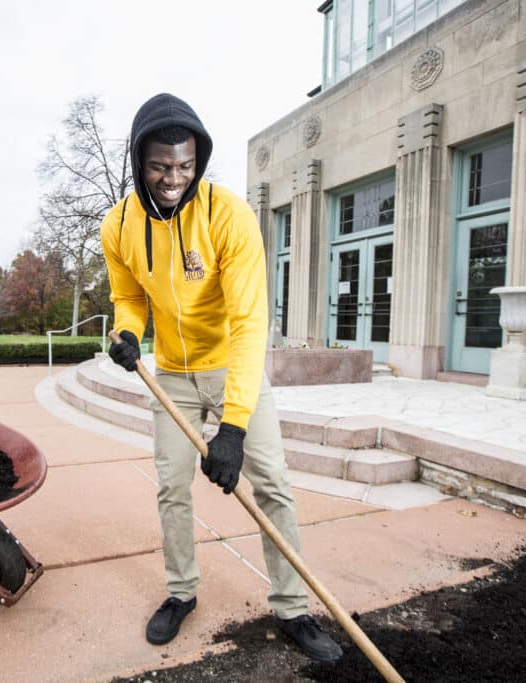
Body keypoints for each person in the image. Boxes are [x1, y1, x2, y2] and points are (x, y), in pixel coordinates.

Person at [101, 93, 343, 662]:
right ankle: (181, 592)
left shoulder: (228, 215)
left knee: (274, 485)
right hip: (173, 376)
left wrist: (232, 428)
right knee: (171, 488)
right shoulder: (119, 226)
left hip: (233, 365)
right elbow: (128, 296)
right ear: (140, 161)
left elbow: (248, 322)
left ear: (198, 161)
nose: (173, 178)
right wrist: (128, 331)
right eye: (161, 166)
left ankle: (292, 607)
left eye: (185, 166)